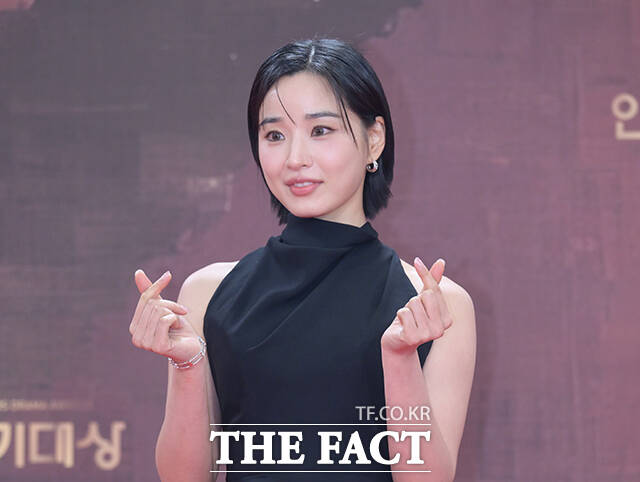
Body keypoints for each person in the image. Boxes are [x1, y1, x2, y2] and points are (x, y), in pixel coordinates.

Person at [129, 37, 476, 482]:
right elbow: (185, 479)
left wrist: (400, 357)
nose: (295, 159)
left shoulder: (435, 305)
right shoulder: (208, 293)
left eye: (321, 131)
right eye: (275, 135)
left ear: (374, 140)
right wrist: (187, 364)